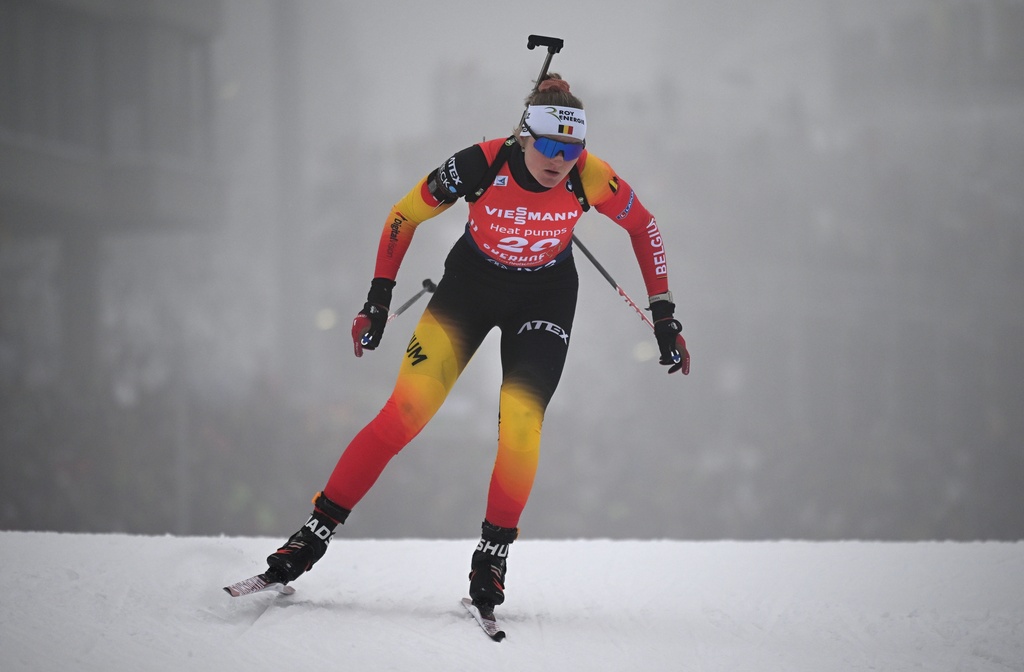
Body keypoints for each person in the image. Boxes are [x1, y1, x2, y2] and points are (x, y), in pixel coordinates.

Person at [260, 74, 689, 612]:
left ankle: (492, 555)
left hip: (545, 301)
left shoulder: (591, 176)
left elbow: (645, 228)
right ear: (524, 136)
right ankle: (313, 533)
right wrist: (377, 300)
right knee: (405, 413)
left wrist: (665, 315)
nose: (560, 159)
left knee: (521, 423)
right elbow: (403, 215)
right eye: (549, 145)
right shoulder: (481, 163)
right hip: (469, 291)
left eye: (572, 147)